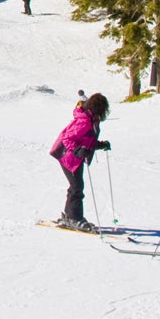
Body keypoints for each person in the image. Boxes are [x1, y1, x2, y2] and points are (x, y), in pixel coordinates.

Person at [50, 92, 110, 231]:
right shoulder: (84, 122)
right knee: (77, 187)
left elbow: (87, 140)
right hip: (68, 156)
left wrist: (100, 145)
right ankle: (74, 217)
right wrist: (77, 150)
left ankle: (70, 215)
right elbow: (67, 139)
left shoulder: (91, 120)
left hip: (74, 157)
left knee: (76, 186)